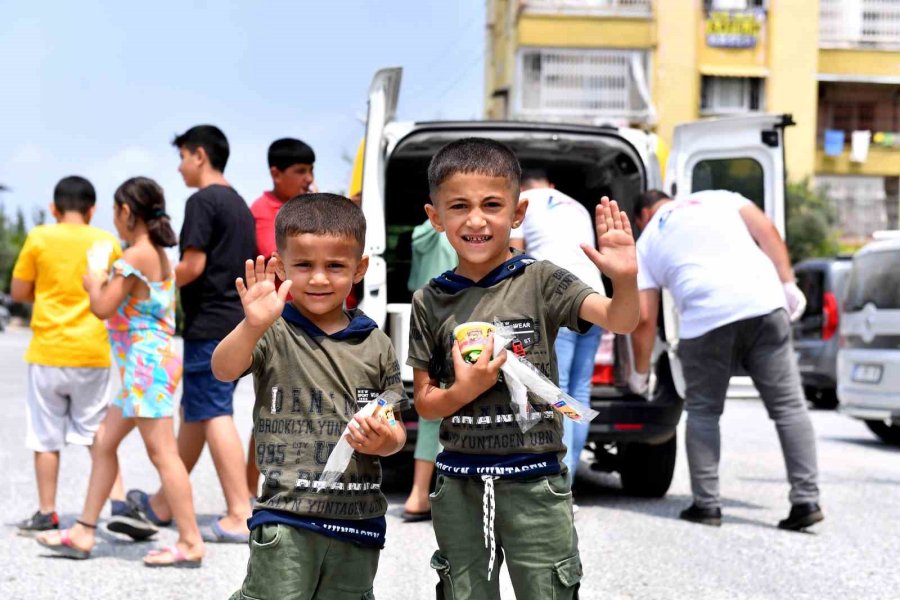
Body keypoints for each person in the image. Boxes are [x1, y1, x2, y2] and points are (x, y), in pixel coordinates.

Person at [408, 138, 639, 599]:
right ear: (436, 218)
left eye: (492, 205)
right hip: (459, 488)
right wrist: (466, 388)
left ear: (518, 213)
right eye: (459, 206)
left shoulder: (542, 279)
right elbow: (426, 405)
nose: (476, 219)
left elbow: (620, 318)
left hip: (536, 483)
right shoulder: (429, 301)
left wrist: (626, 278)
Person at [212, 194, 406, 599]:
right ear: (281, 267)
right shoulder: (273, 330)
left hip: (357, 520)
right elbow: (223, 368)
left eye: (335, 266)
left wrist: (384, 440)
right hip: (287, 516)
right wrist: (251, 325)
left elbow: (396, 427)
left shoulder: (376, 343)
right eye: (304, 265)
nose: (319, 278)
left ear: (360, 269)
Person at [628, 189, 822, 531]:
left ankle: (707, 506)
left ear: (643, 215)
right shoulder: (719, 197)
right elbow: (767, 231)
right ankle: (806, 501)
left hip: (706, 320)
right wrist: (788, 283)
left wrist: (640, 373)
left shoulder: (647, 241)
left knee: (704, 411)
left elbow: (644, 319)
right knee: (790, 407)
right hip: (765, 304)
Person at [36, 177, 205, 566]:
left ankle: (191, 541)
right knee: (105, 441)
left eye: (116, 212)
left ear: (127, 212)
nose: (114, 220)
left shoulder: (135, 256)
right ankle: (83, 530)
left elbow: (103, 307)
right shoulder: (159, 253)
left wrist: (93, 283)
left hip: (146, 367)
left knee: (163, 454)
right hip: (148, 367)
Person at [127, 125, 257, 543]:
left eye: (182, 157)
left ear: (199, 155)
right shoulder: (237, 202)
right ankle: (164, 502)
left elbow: (192, 266)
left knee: (213, 411)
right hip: (235, 322)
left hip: (210, 326)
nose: (180, 167)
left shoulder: (202, 200)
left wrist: (150, 283)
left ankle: (239, 511)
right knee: (197, 413)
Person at [10, 176, 127, 535]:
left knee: (45, 438)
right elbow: (119, 292)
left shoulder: (39, 237)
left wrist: (47, 296)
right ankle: (120, 504)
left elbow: (18, 291)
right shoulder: (106, 241)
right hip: (91, 351)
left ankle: (47, 511)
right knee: (96, 435)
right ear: (92, 210)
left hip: (47, 350)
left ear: (53, 208)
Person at [510, 168, 606, 488]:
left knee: (555, 392)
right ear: (552, 185)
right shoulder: (576, 206)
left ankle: (558, 485)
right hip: (594, 298)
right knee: (578, 392)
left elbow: (515, 255)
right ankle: (569, 482)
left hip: (558, 298)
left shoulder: (521, 201)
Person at [245, 137, 316, 497]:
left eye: (311, 170)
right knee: (269, 411)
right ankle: (248, 496)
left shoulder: (308, 207)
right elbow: (271, 255)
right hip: (278, 326)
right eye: (300, 171)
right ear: (276, 173)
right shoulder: (262, 211)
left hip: (316, 322)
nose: (308, 178)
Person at [401, 219, 458, 522]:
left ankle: (418, 494)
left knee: (430, 410)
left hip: (425, 320)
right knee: (462, 410)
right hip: (456, 322)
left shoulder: (421, 233)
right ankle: (448, 496)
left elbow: (414, 284)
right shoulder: (458, 234)